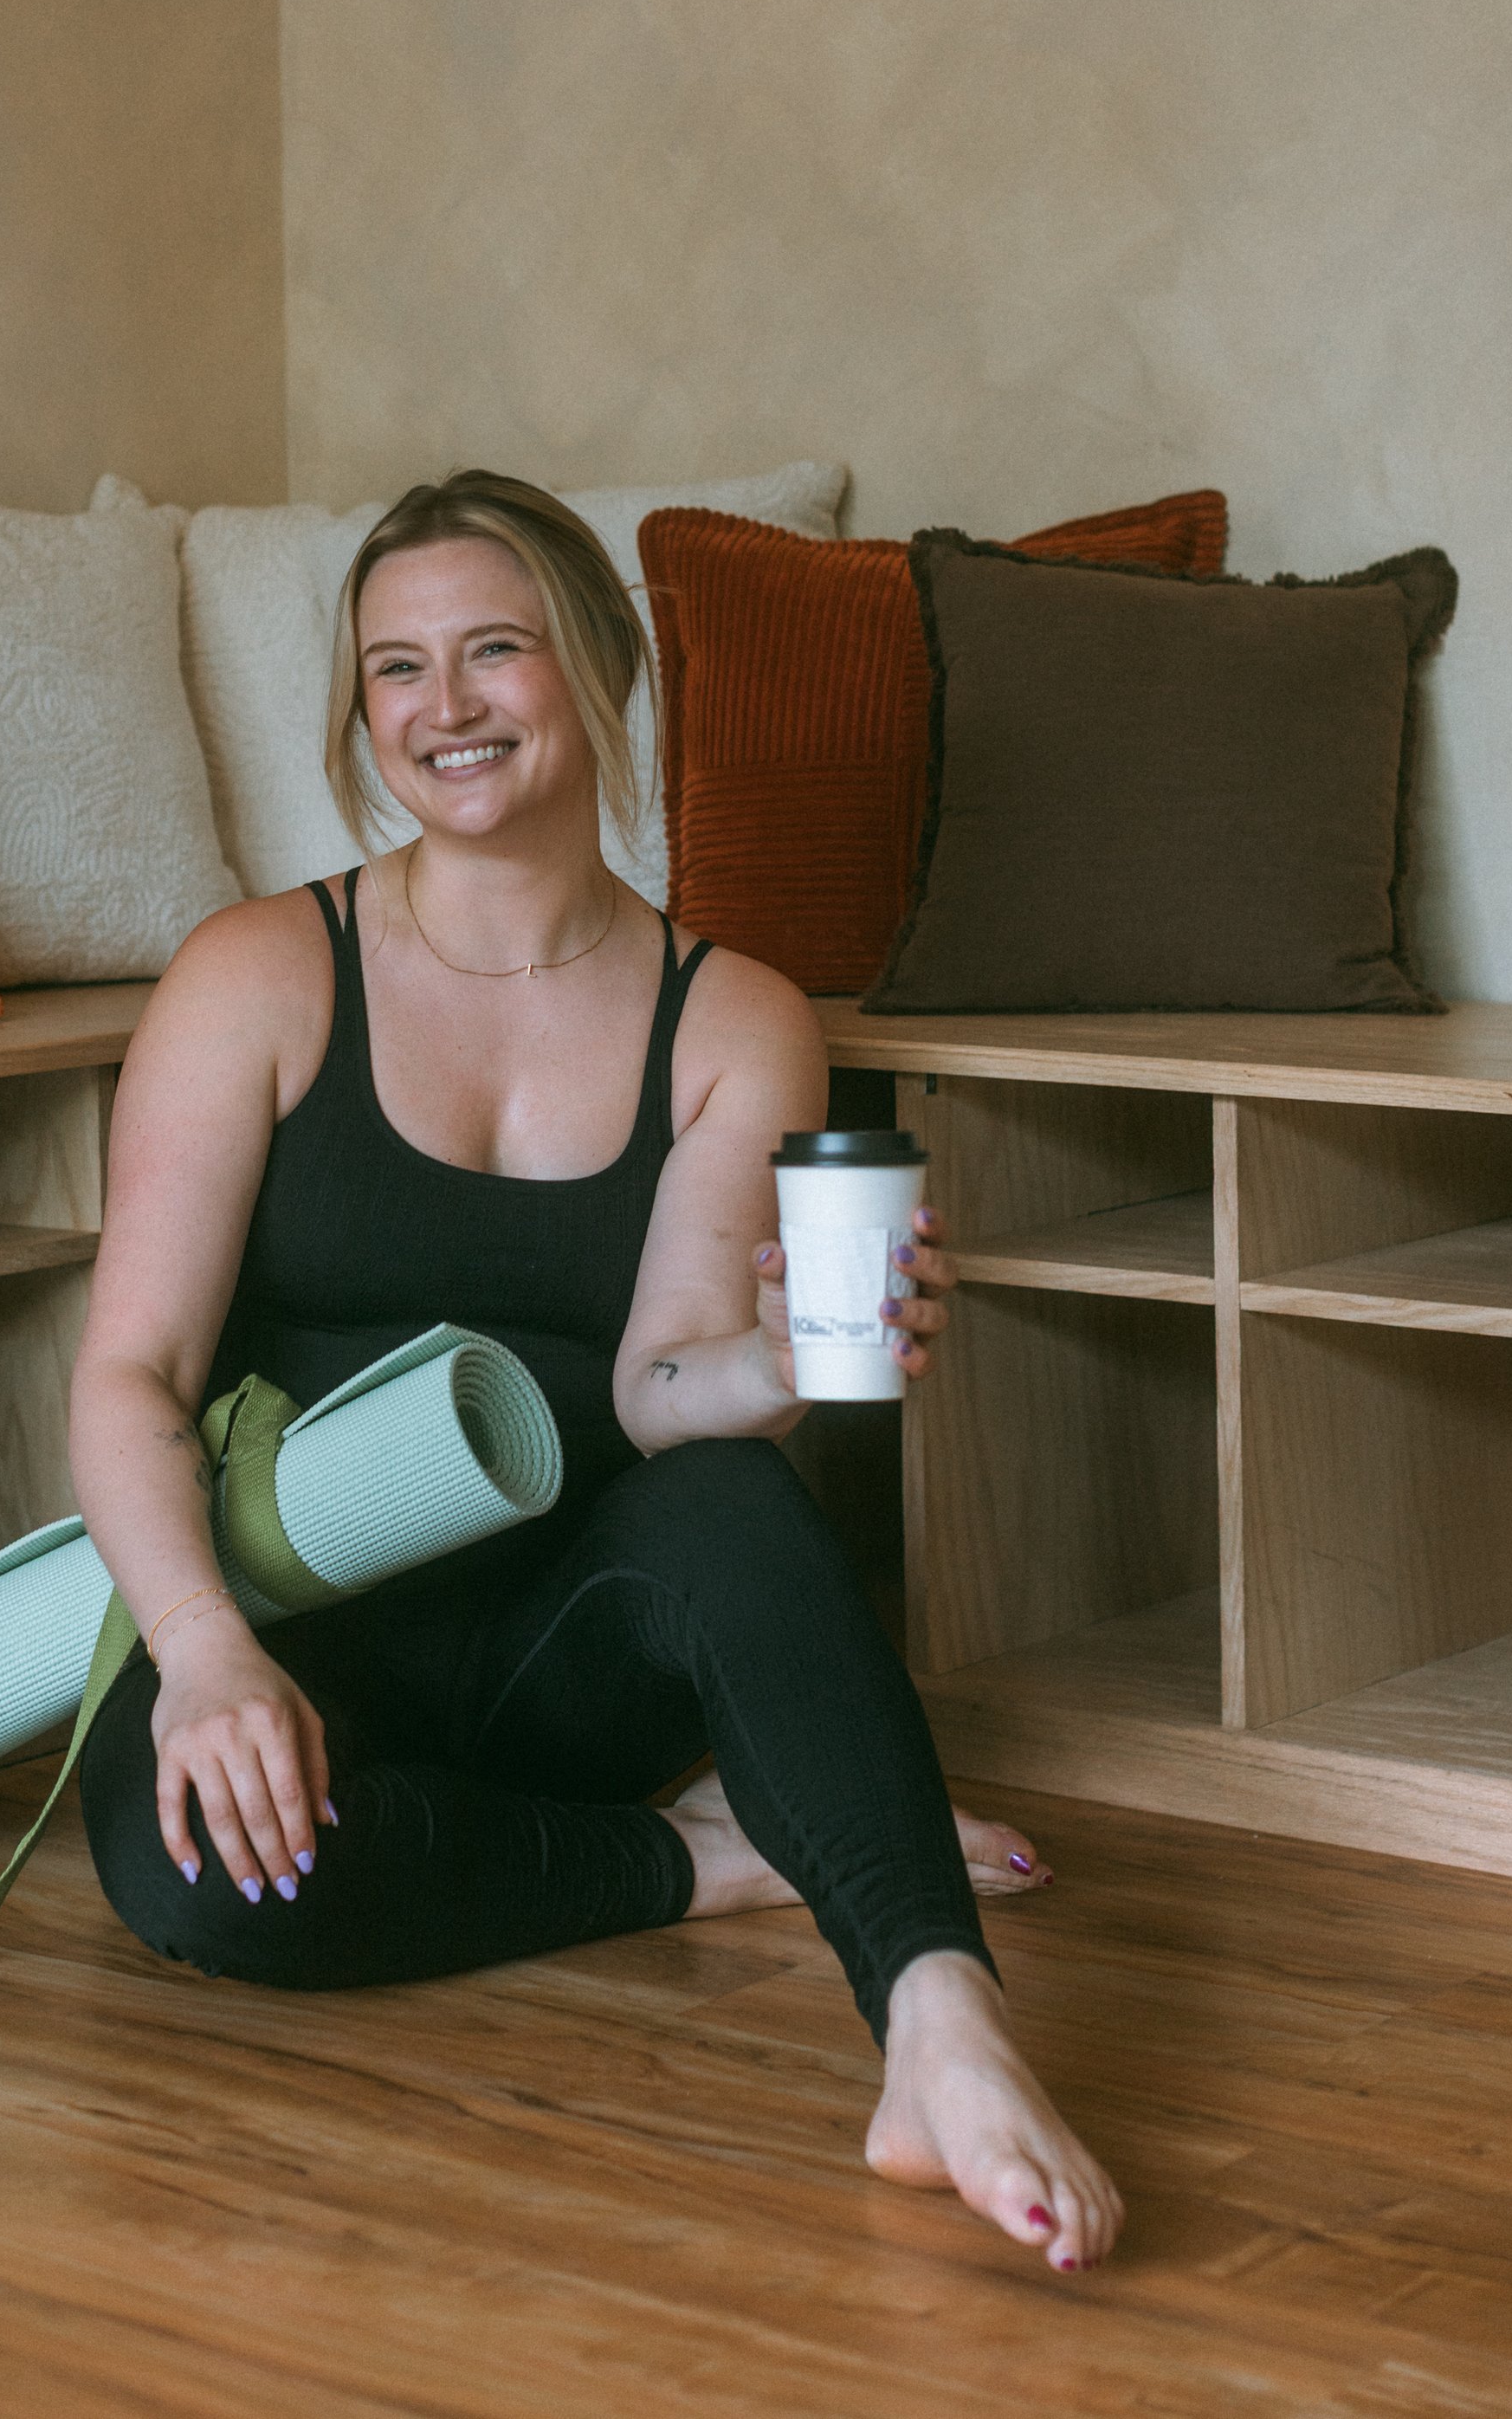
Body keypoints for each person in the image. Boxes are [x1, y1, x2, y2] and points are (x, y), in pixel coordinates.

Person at [69, 470, 1121, 2274]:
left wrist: (773, 1370)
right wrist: (203, 1653)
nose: (445, 705)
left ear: (598, 672)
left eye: (495, 649)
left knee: (727, 1495)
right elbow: (127, 1376)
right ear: (357, 716)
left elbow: (655, 1389)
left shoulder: (730, 1015)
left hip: (569, 1648)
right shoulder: (255, 977)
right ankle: (708, 1857)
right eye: (396, 669)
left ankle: (941, 2030)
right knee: (208, 1882)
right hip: (296, 1630)